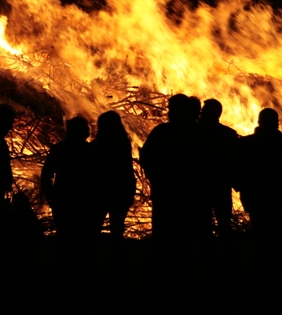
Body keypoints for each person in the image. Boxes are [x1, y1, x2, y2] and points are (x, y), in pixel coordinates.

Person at [140, 94, 208, 249]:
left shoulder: (163, 132)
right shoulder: (200, 134)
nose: (168, 112)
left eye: (171, 109)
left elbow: (147, 158)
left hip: (169, 194)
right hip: (191, 195)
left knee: (166, 236)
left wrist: (157, 180)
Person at [236, 108, 282, 251]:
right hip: (279, 197)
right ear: (277, 123)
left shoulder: (247, 143)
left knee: (260, 236)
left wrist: (240, 186)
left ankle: (261, 268)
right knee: (280, 239)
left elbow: (238, 168)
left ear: (259, 122)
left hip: (255, 197)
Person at [41, 115, 93, 247]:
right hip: (80, 201)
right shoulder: (89, 151)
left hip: (63, 199)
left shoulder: (59, 149)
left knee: (64, 238)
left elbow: (46, 174)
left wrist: (50, 195)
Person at [91, 110, 136, 241]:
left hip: (101, 191)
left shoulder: (97, 146)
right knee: (117, 227)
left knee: (95, 225)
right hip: (121, 190)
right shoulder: (124, 143)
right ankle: (116, 256)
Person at [197, 99, 238, 241]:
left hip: (201, 186)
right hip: (221, 186)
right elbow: (235, 162)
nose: (201, 112)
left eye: (204, 110)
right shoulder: (229, 134)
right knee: (224, 224)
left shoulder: (194, 133)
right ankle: (226, 256)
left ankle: (208, 257)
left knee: (203, 225)